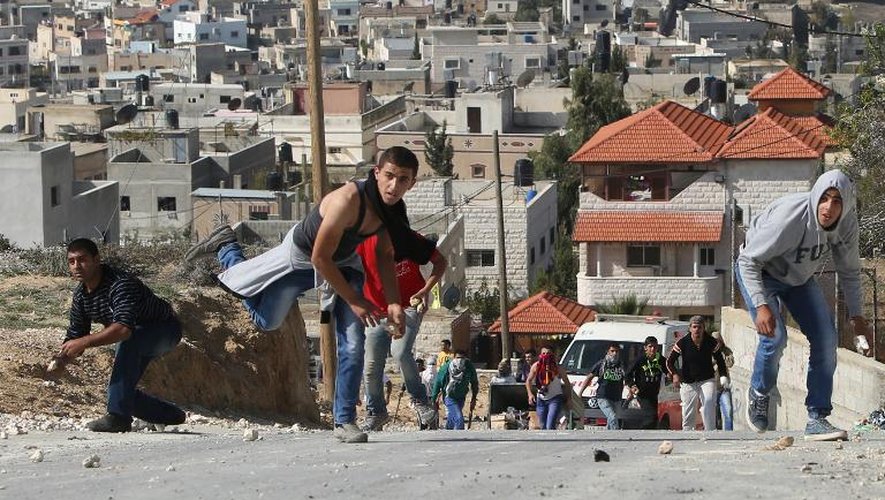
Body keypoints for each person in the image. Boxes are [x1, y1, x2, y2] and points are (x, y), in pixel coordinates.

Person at [185, 146, 435, 444]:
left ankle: (344, 421)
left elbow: (384, 254)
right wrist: (355, 301)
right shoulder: (348, 201)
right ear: (376, 173)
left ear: (412, 183)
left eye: (403, 179)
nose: (394, 186)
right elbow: (320, 258)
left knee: (353, 343)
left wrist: (393, 302)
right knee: (266, 321)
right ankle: (227, 247)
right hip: (302, 261)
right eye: (389, 176)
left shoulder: (393, 211)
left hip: (348, 267)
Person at [736, 169, 871, 441]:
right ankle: (759, 392)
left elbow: (849, 272)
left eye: (837, 201)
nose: (829, 208)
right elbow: (748, 261)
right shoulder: (790, 218)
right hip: (761, 272)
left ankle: (817, 418)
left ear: (845, 204)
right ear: (816, 196)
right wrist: (761, 304)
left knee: (826, 340)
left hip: (799, 279)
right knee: (775, 337)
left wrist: (857, 316)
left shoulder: (847, 225)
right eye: (825, 198)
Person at [55, 239, 185, 433]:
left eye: (82, 260)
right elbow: (76, 333)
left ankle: (118, 418)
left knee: (129, 340)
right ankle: (170, 414)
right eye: (71, 261)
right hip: (136, 335)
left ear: (96, 260)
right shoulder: (81, 295)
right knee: (121, 391)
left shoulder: (120, 283)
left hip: (165, 330)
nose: (76, 266)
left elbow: (123, 329)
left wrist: (83, 342)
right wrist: (61, 359)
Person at [357, 231, 447, 431]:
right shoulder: (361, 244)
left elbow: (440, 262)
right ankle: (376, 411)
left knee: (400, 351)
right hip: (379, 313)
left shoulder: (409, 238)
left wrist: (425, 290)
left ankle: (420, 400)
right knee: (371, 365)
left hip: (408, 307)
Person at [666, 316, 728, 431]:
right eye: (694, 327)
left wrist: (723, 376)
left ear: (703, 329)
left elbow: (720, 360)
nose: (697, 330)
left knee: (709, 401)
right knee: (688, 411)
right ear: (690, 328)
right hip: (688, 381)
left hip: (707, 379)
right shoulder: (682, 342)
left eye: (699, 327)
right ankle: (687, 433)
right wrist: (674, 374)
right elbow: (669, 361)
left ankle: (710, 430)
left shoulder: (711, 341)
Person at [578, 342, 626, 430]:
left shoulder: (621, 365)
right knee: (613, 417)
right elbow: (589, 377)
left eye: (617, 351)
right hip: (603, 397)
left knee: (611, 421)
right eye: (612, 351)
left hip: (616, 397)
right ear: (607, 352)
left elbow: (625, 380)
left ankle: (608, 436)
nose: (614, 354)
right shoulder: (602, 364)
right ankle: (617, 436)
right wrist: (580, 393)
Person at [525, 346, 572, 430]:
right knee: (542, 426)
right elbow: (528, 381)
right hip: (541, 399)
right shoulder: (536, 366)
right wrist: (530, 394)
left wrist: (569, 398)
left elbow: (567, 383)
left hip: (555, 398)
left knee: (550, 425)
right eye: (543, 353)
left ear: (553, 355)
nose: (545, 355)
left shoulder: (558, 368)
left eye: (548, 353)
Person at [625, 336, 668, 429]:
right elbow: (628, 374)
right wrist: (632, 385)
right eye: (650, 346)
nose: (653, 349)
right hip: (642, 393)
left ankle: (648, 433)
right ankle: (643, 432)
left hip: (654, 393)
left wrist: (672, 376)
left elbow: (669, 370)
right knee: (650, 416)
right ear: (645, 348)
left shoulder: (660, 359)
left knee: (654, 418)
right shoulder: (640, 359)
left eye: (655, 347)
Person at [431, 350, 478, 430]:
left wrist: (474, 397)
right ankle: (460, 436)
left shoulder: (468, 367)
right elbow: (438, 383)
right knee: (459, 418)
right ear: (453, 358)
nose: (460, 360)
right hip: (449, 397)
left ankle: (448, 433)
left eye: (462, 358)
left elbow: (474, 382)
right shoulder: (446, 367)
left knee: (452, 417)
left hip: (461, 397)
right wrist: (434, 400)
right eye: (458, 358)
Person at [711, 330, 734, 431]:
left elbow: (730, 363)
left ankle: (729, 434)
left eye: (718, 341)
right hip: (712, 387)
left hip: (724, 387)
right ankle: (714, 433)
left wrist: (723, 356)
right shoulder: (708, 351)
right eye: (715, 341)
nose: (717, 343)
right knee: (714, 415)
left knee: (728, 411)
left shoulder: (726, 351)